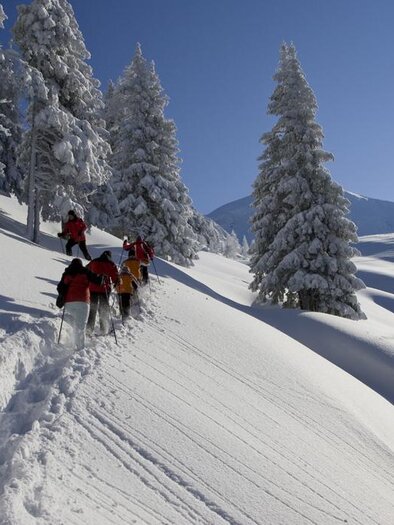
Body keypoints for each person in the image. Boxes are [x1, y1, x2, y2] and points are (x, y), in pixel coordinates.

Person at [57, 258, 102, 350]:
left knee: (76, 323)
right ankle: (80, 348)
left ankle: (73, 342)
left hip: (69, 303)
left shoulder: (67, 273)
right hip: (83, 302)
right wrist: (102, 276)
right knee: (81, 326)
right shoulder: (85, 272)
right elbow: (98, 281)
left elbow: (60, 288)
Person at [86, 250, 119, 335]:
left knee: (93, 309)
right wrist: (116, 283)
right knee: (103, 309)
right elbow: (116, 278)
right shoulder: (111, 264)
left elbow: (86, 269)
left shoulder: (94, 261)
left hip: (92, 288)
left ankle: (89, 330)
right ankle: (103, 330)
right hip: (104, 289)